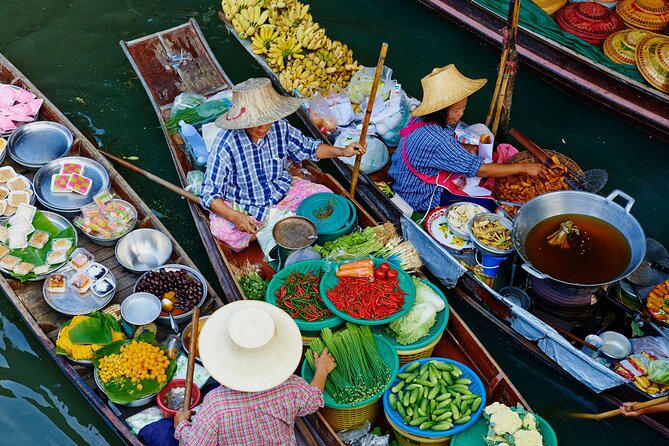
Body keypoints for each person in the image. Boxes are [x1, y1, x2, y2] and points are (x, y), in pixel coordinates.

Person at [139, 300, 336, 446]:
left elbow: (195, 444)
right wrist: (322, 370)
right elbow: (313, 400)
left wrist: (181, 424)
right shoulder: (291, 386)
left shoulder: (216, 405)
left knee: (157, 432)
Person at [200, 77, 365, 251]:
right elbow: (209, 194)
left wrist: (342, 151)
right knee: (223, 230)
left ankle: (276, 224)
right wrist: (236, 217)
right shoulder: (226, 144)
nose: (264, 127)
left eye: (268, 120)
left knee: (324, 195)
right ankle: (285, 223)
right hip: (246, 206)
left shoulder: (280, 127)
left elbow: (308, 148)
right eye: (257, 122)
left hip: (281, 194)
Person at [388, 64, 546, 212]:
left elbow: (433, 151)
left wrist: (463, 148)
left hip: (406, 178)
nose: (461, 114)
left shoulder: (422, 119)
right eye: (456, 110)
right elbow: (481, 171)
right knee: (492, 205)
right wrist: (524, 167)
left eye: (463, 108)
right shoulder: (438, 139)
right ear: (440, 111)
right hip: (418, 195)